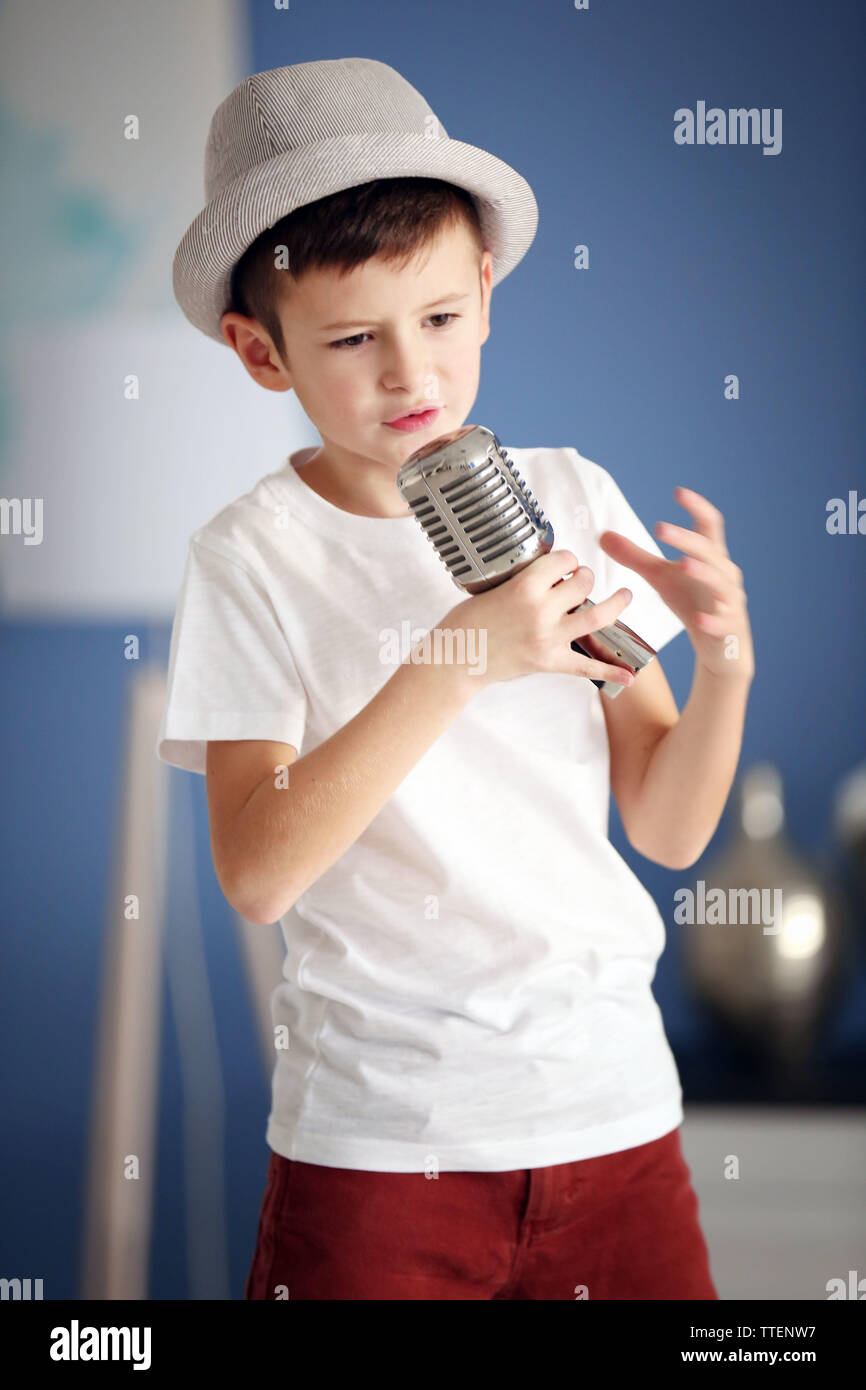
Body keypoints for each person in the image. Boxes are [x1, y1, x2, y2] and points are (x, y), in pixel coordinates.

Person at [157, 58, 754, 1300]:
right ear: (260, 353)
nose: (408, 375)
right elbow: (258, 873)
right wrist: (457, 658)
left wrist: (728, 664)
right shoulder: (250, 558)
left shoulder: (572, 499)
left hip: (613, 1118)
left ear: (485, 292)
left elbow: (671, 823)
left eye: (435, 319)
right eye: (352, 338)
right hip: (381, 1150)